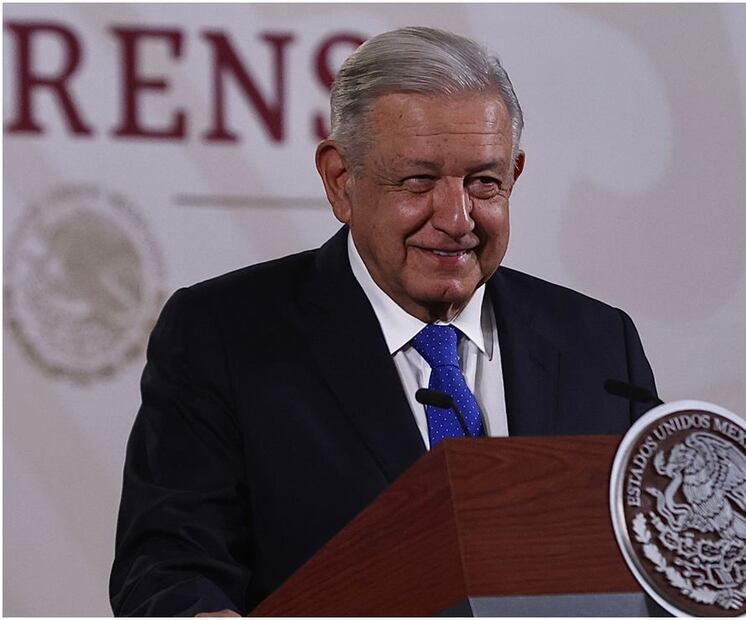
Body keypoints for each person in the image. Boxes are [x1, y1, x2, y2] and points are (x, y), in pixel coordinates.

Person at [110, 26, 657, 616]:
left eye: (483, 182)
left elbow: (664, 559)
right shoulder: (223, 334)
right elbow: (167, 571)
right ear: (341, 181)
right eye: (418, 181)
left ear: (515, 175)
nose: (456, 217)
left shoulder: (599, 345)